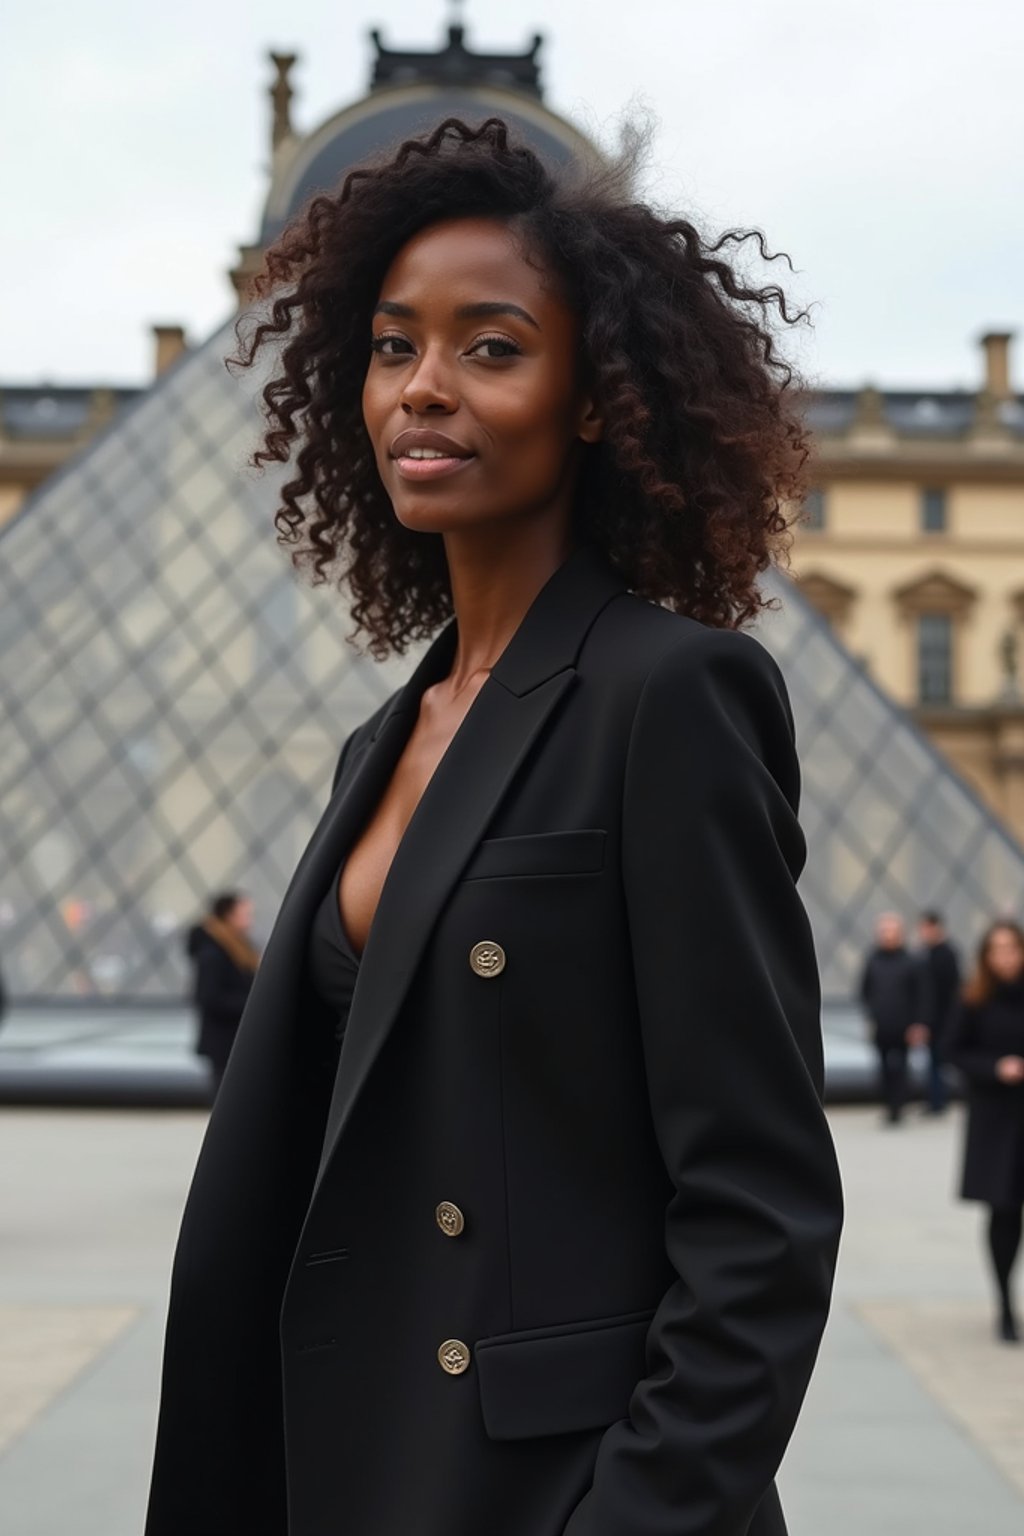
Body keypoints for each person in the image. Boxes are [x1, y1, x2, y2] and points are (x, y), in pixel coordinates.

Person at [146, 118, 843, 1536]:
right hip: (355, 1466)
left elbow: (759, 1214)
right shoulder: (382, 742)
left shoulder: (674, 695)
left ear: (597, 397)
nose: (424, 390)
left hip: (550, 1490)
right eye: (396, 346)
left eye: (492, 347)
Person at [946, 920, 1024, 1344]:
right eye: (998, 949)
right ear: (986, 956)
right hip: (996, 1119)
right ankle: (1005, 1304)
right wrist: (996, 1067)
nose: (1006, 957)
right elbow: (953, 1050)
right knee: (1004, 1212)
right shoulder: (974, 998)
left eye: (1012, 948)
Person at [185, 891, 259, 1095]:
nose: (250, 920)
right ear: (229, 915)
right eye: (245, 914)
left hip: (234, 1037)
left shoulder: (237, 948)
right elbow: (209, 998)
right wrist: (254, 1005)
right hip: (224, 1040)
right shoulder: (213, 954)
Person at [859, 911, 927, 1125]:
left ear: (901, 934)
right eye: (884, 931)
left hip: (904, 1026)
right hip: (881, 1025)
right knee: (884, 1068)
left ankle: (898, 1106)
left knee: (900, 1067)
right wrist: (872, 1014)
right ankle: (889, 1105)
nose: (888, 936)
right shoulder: (872, 960)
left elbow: (922, 995)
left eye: (892, 931)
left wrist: (918, 1024)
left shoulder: (912, 962)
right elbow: (865, 990)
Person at [916, 909, 961, 1114]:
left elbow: (943, 993)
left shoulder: (943, 955)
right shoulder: (932, 954)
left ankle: (937, 1101)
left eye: (925, 928)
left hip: (941, 1020)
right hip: (938, 1019)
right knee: (935, 1062)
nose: (922, 933)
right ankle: (936, 1101)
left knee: (938, 1062)